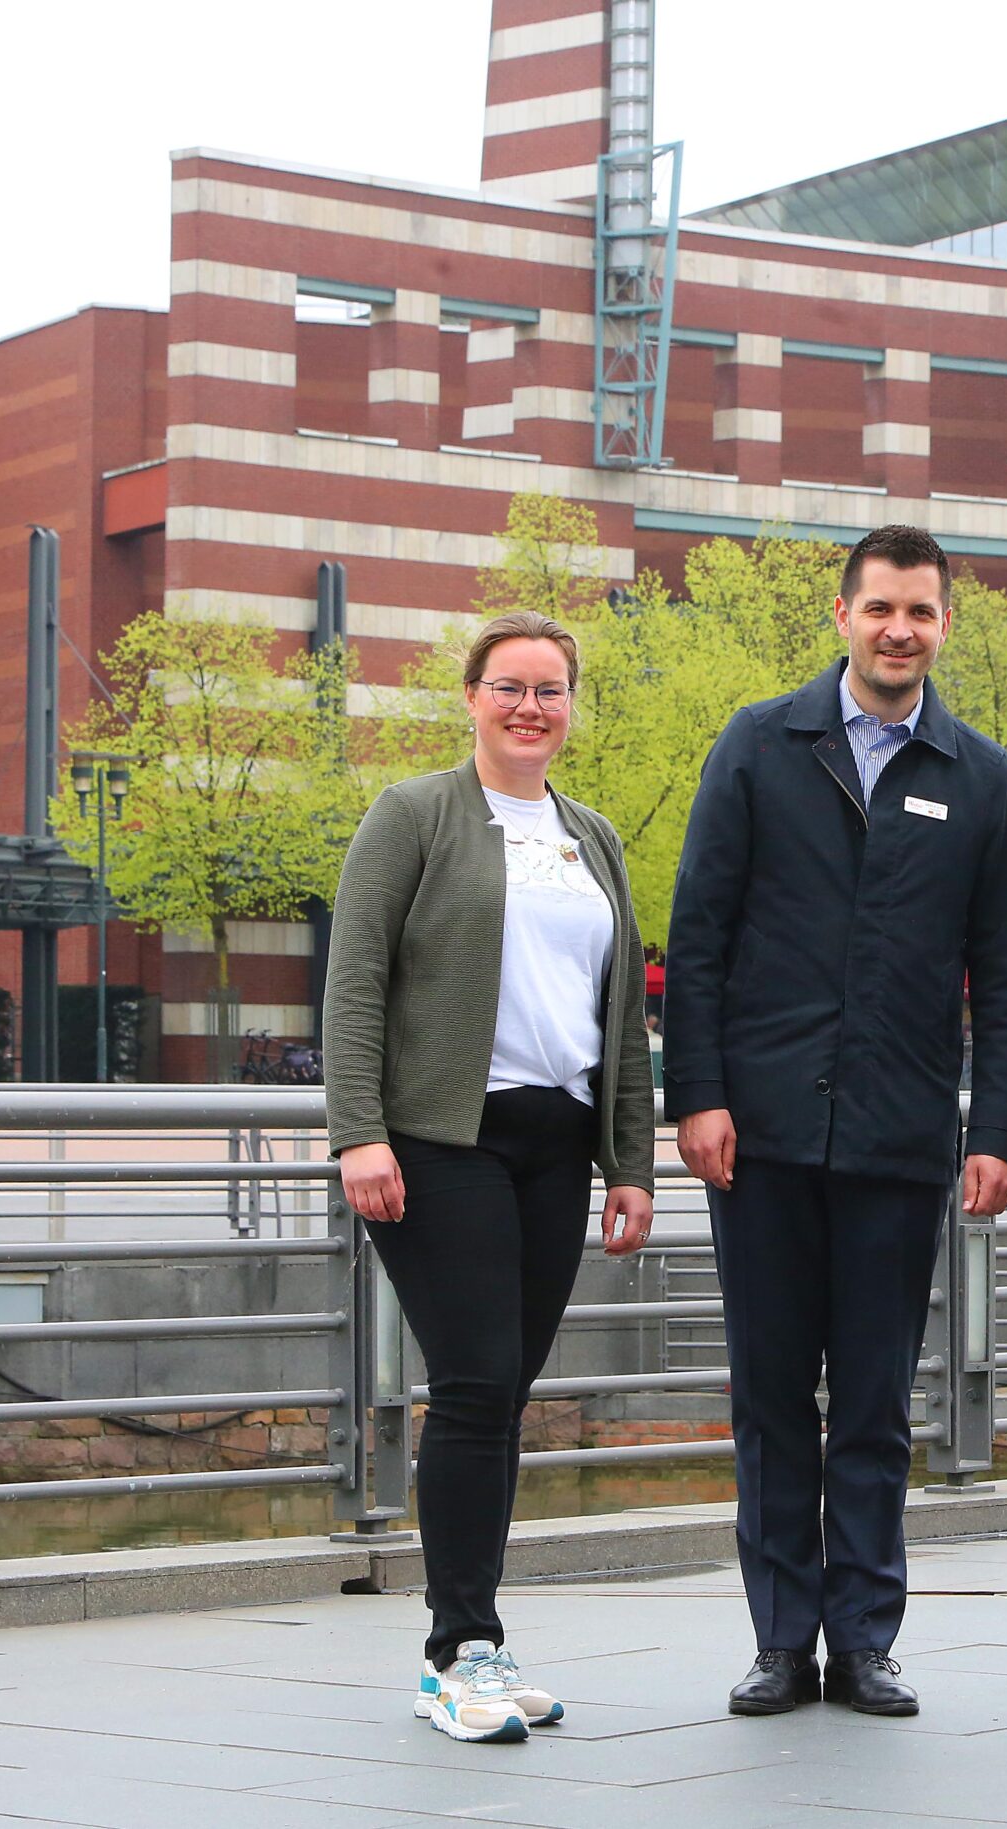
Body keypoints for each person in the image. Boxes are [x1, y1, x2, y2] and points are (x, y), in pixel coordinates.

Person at [664, 524, 1007, 1720]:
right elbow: (701, 934)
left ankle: (864, 1636)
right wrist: (699, 1094)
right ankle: (782, 1638)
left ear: (942, 625)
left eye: (920, 612)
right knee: (773, 1396)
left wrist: (1000, 1131)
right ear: (842, 615)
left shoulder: (977, 777)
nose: (899, 630)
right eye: (881, 608)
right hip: (761, 1136)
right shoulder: (760, 745)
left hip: (899, 1135)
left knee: (875, 1400)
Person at [324, 609, 656, 1744]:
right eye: (509, 685)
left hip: (555, 1145)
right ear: (469, 696)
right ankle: (457, 1649)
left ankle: (478, 1637)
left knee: (504, 1391)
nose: (530, 706)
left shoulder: (593, 835)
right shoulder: (413, 812)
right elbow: (356, 976)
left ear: (571, 705)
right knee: (471, 1382)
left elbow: (621, 1017)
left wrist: (629, 1157)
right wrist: (356, 1131)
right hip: (438, 1140)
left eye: (551, 689)